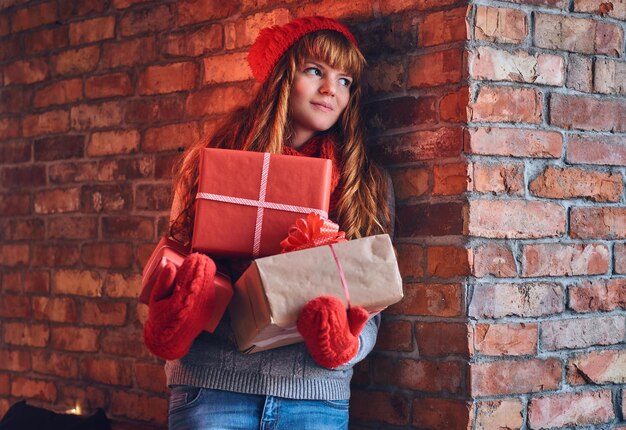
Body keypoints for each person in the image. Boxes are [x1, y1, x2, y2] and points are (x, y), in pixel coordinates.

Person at [143, 16, 394, 430]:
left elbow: (375, 296)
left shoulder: (363, 182)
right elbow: (177, 261)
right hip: (212, 388)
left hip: (315, 399)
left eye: (345, 80)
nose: (332, 89)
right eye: (316, 71)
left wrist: (347, 343)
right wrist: (171, 318)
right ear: (281, 76)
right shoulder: (212, 158)